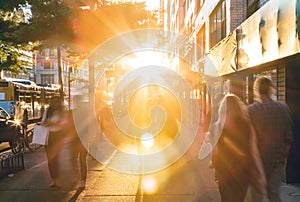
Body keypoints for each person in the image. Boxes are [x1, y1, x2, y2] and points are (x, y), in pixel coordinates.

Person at [210, 94, 266, 202]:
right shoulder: (248, 126)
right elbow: (255, 152)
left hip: (223, 172)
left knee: (226, 199)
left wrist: (213, 163)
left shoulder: (218, 127)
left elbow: (215, 151)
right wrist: (261, 173)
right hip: (243, 173)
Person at [248, 77, 293, 202]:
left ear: (257, 91)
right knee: (274, 195)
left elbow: (250, 141)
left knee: (257, 197)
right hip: (276, 162)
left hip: (257, 164)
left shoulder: (252, 110)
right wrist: (283, 159)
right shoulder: (283, 109)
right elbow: (288, 139)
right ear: (271, 89)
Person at [42, 96, 67, 188]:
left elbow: (63, 123)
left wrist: (51, 123)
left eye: (56, 102)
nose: (54, 104)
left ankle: (57, 180)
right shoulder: (47, 111)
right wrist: (49, 123)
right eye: (52, 102)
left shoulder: (62, 112)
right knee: (50, 159)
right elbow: (43, 122)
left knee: (55, 158)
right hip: (48, 136)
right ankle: (53, 180)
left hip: (57, 136)